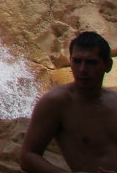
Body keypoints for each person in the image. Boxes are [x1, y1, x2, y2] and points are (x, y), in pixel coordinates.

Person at [20, 31, 117, 173]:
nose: (82, 69)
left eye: (91, 62)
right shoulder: (55, 103)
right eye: (77, 61)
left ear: (107, 65)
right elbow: (27, 156)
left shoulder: (115, 102)